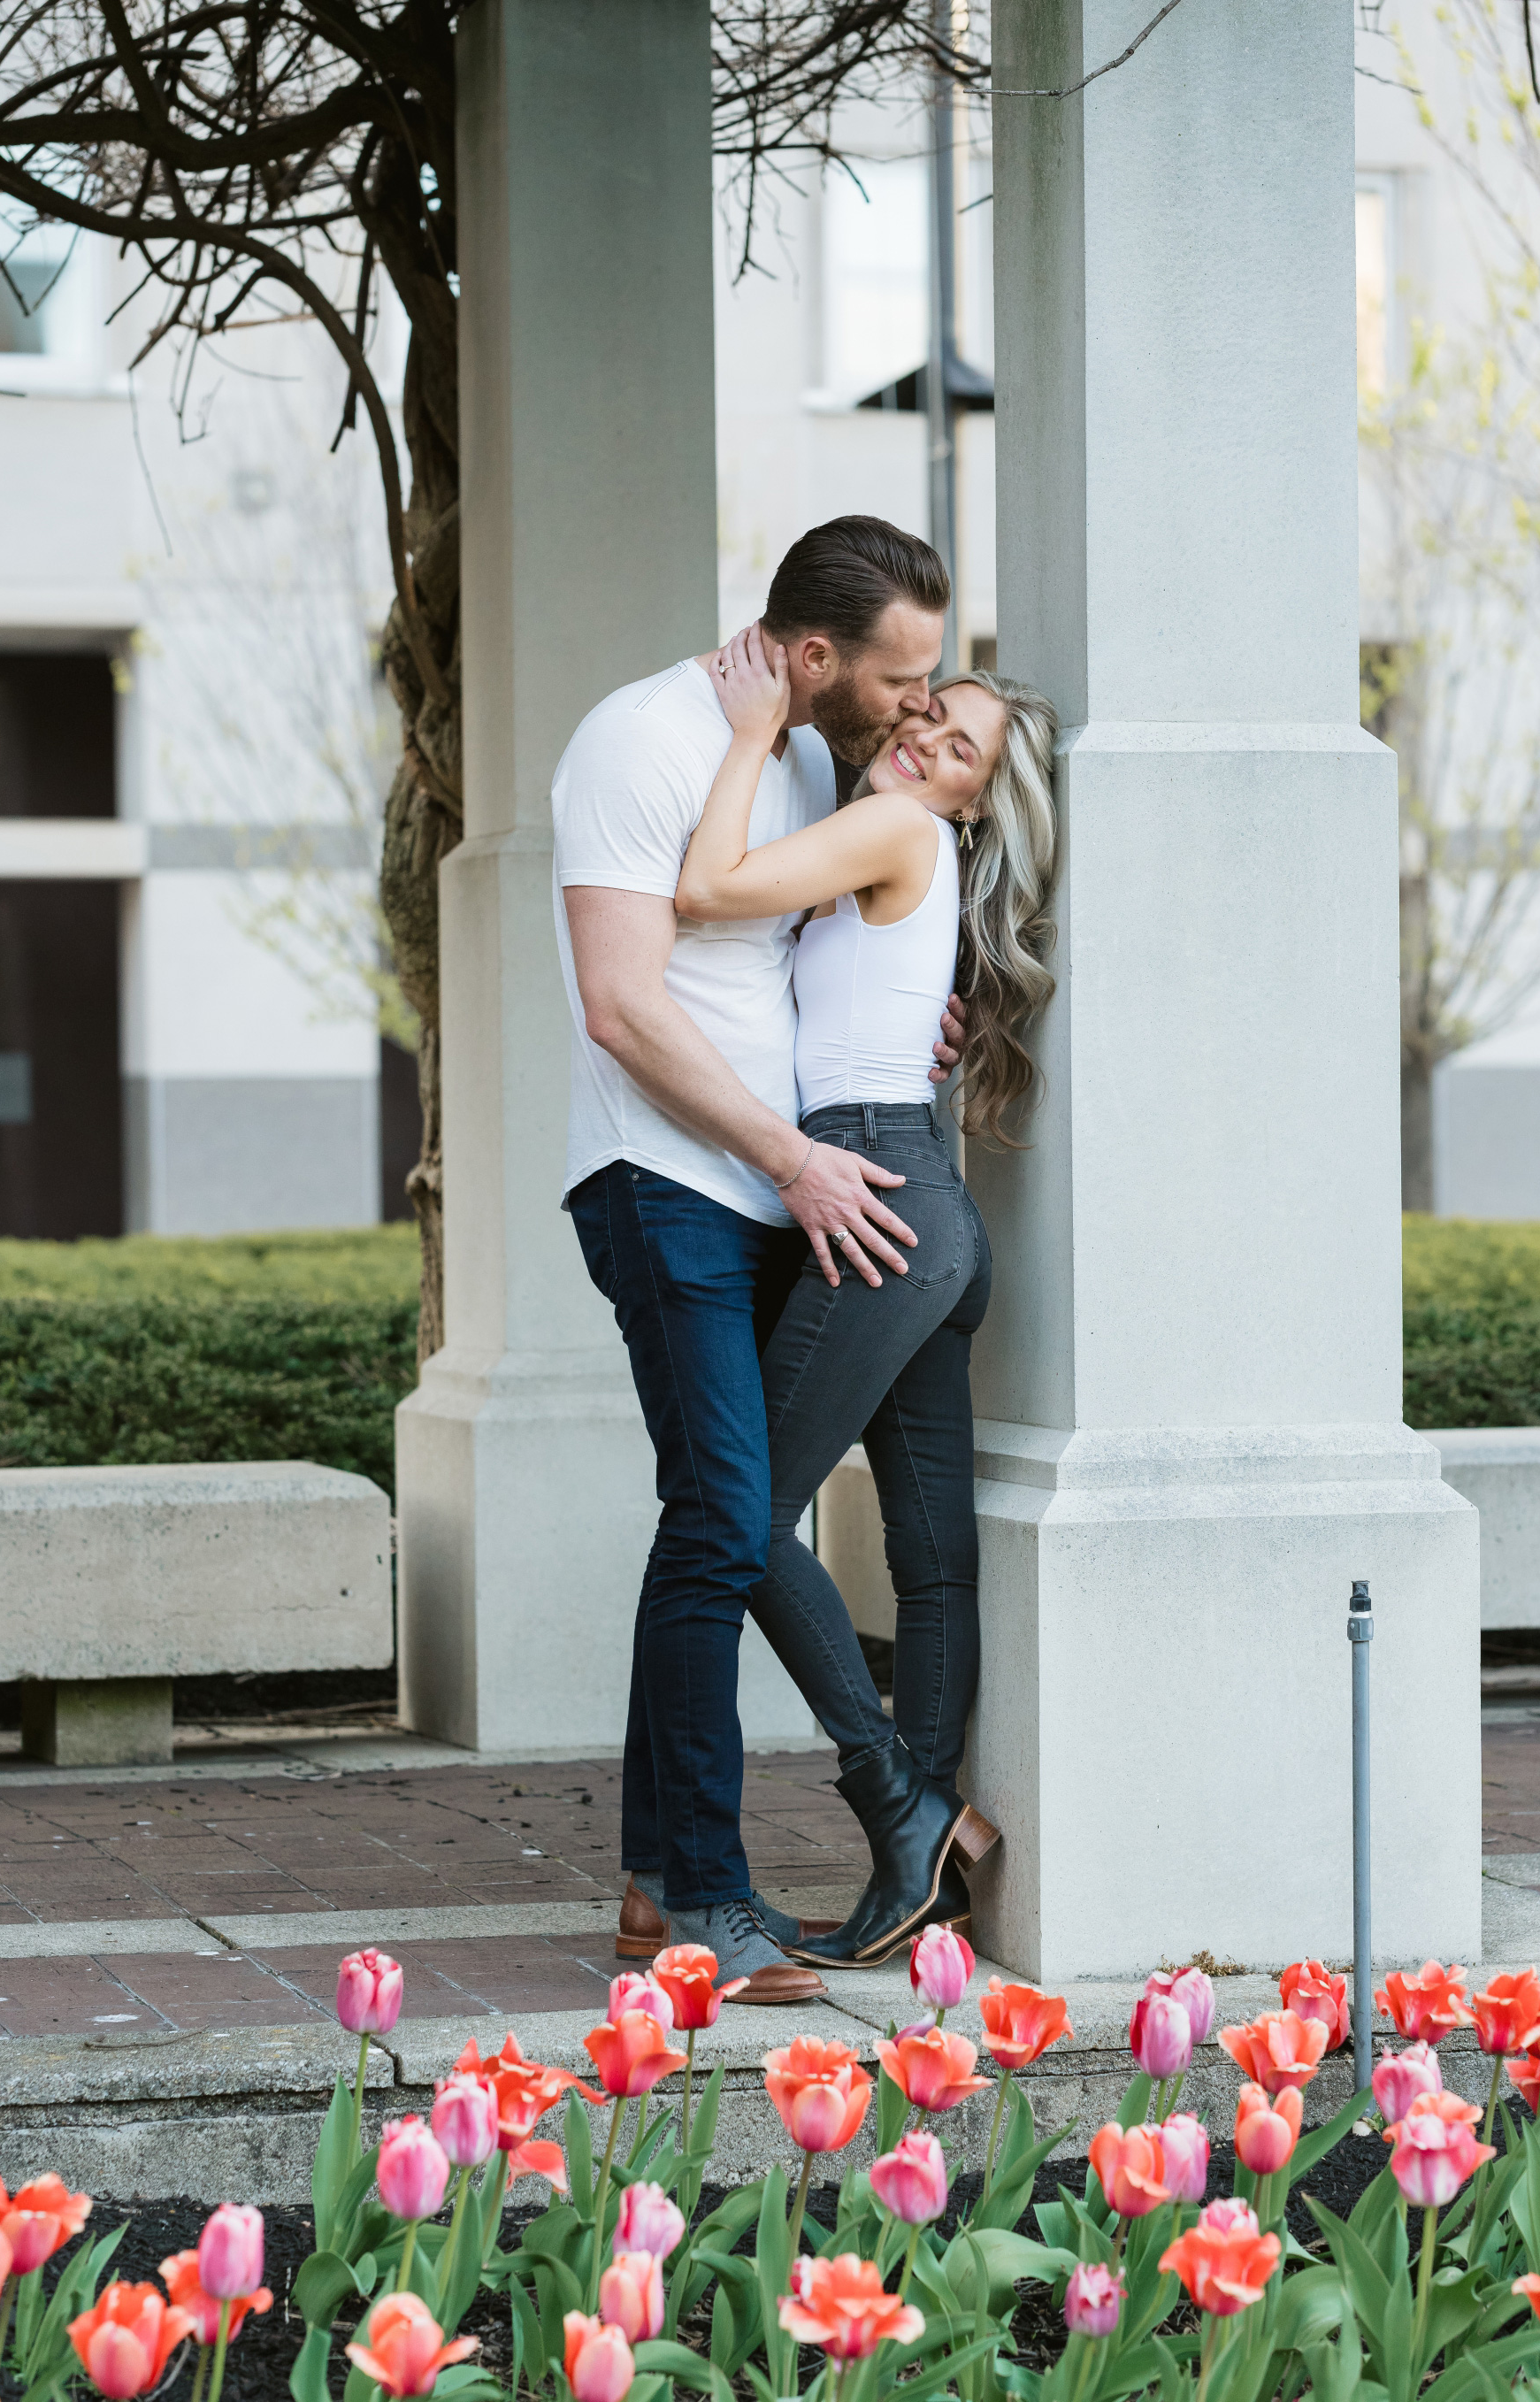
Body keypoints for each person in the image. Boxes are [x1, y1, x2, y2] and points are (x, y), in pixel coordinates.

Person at [556, 516, 954, 2002]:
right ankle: (709, 1905)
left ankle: (663, 1894)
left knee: (713, 1524)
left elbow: (778, 953)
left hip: (774, 1192)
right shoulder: (640, 739)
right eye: (897, 676)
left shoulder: (793, 759)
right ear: (809, 654)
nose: (917, 703)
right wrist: (788, 1157)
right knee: (727, 1520)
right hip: (667, 1187)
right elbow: (622, 1002)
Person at [676, 625, 1060, 1968]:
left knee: (741, 1510)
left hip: (881, 1202)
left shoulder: (894, 829)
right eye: (930, 714)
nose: (924, 741)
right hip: (922, 1205)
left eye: (960, 749)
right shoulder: (902, 851)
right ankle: (929, 1832)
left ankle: (895, 1800)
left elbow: (705, 888)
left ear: (968, 798)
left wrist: (740, 736)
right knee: (928, 1551)